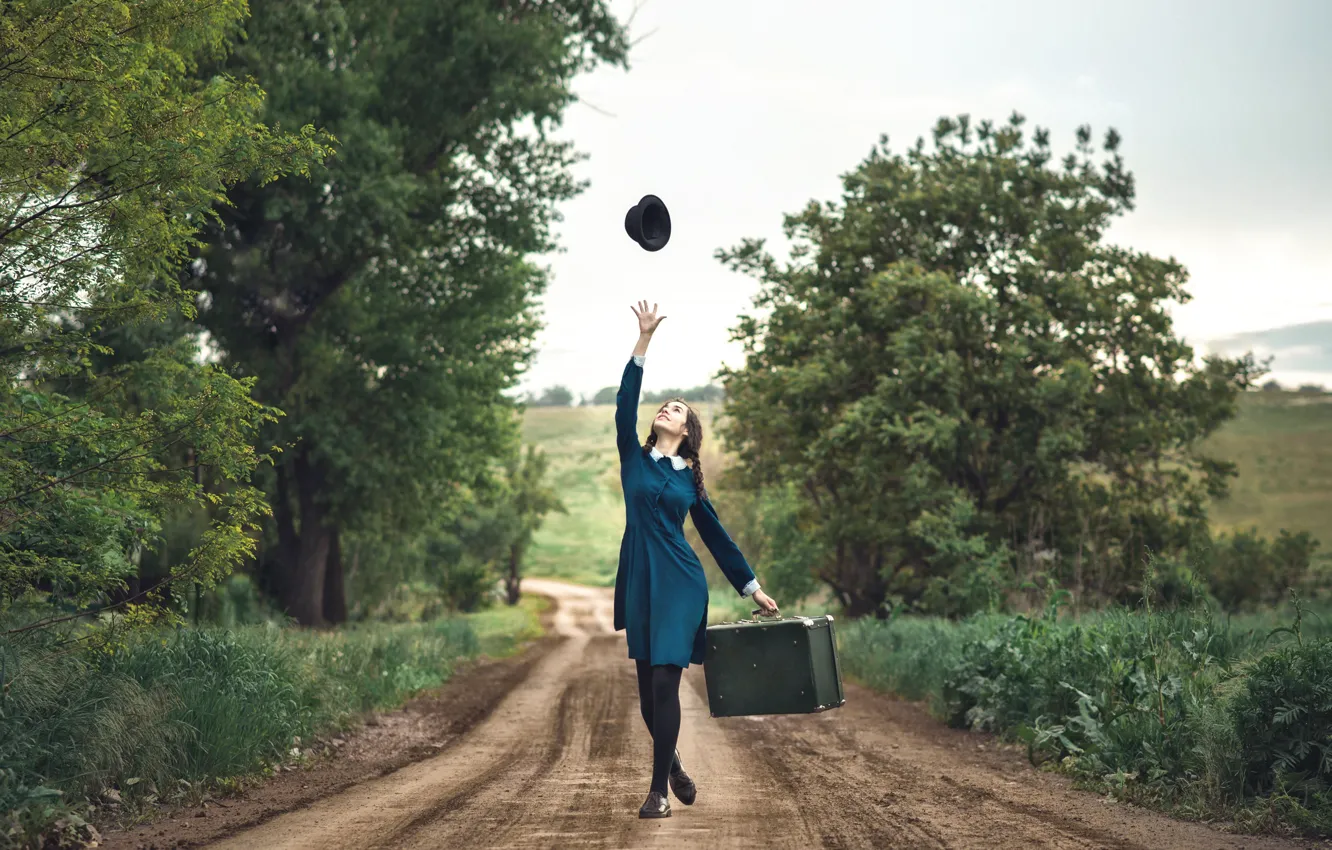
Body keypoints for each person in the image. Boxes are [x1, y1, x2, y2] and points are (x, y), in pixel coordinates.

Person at [613, 300, 780, 819]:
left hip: (682, 584)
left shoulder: (689, 480)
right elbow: (625, 402)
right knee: (647, 694)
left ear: (687, 432)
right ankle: (674, 762)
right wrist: (643, 341)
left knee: (666, 681)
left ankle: (657, 793)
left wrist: (752, 587)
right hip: (641, 580)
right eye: (665, 406)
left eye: (678, 410)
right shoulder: (634, 458)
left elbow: (718, 538)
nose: (667, 409)